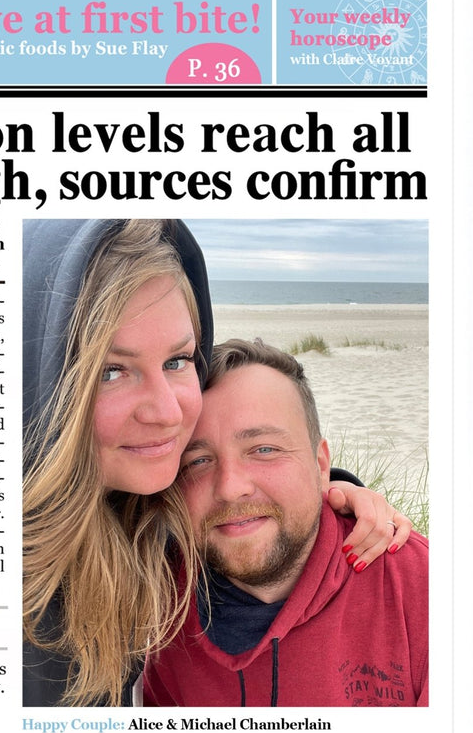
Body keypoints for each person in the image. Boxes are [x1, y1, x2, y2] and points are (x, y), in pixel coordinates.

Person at [23, 220, 412, 707]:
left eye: (177, 360)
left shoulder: (147, 523)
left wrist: (327, 490)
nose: (168, 413)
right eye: (112, 370)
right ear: (43, 376)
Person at [144, 338, 428, 708]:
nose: (230, 487)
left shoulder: (423, 590)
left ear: (321, 465)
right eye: (198, 461)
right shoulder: (156, 603)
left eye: (264, 450)